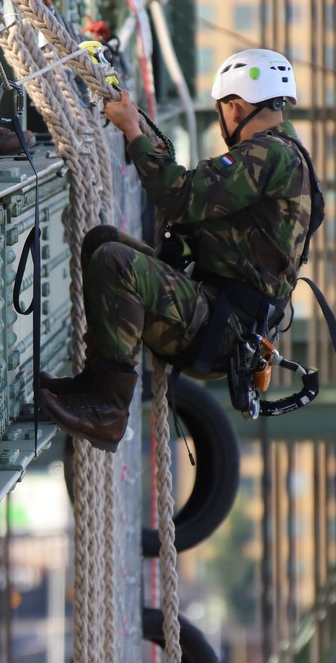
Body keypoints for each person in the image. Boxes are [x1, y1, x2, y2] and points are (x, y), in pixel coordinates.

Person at [37, 48, 321, 452]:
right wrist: (145, 139)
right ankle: (95, 385)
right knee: (103, 240)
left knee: (116, 263)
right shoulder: (284, 155)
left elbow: (183, 197)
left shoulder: (269, 154)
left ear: (235, 108)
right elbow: (202, 205)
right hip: (221, 319)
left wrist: (133, 132)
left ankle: (109, 410)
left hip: (219, 329)